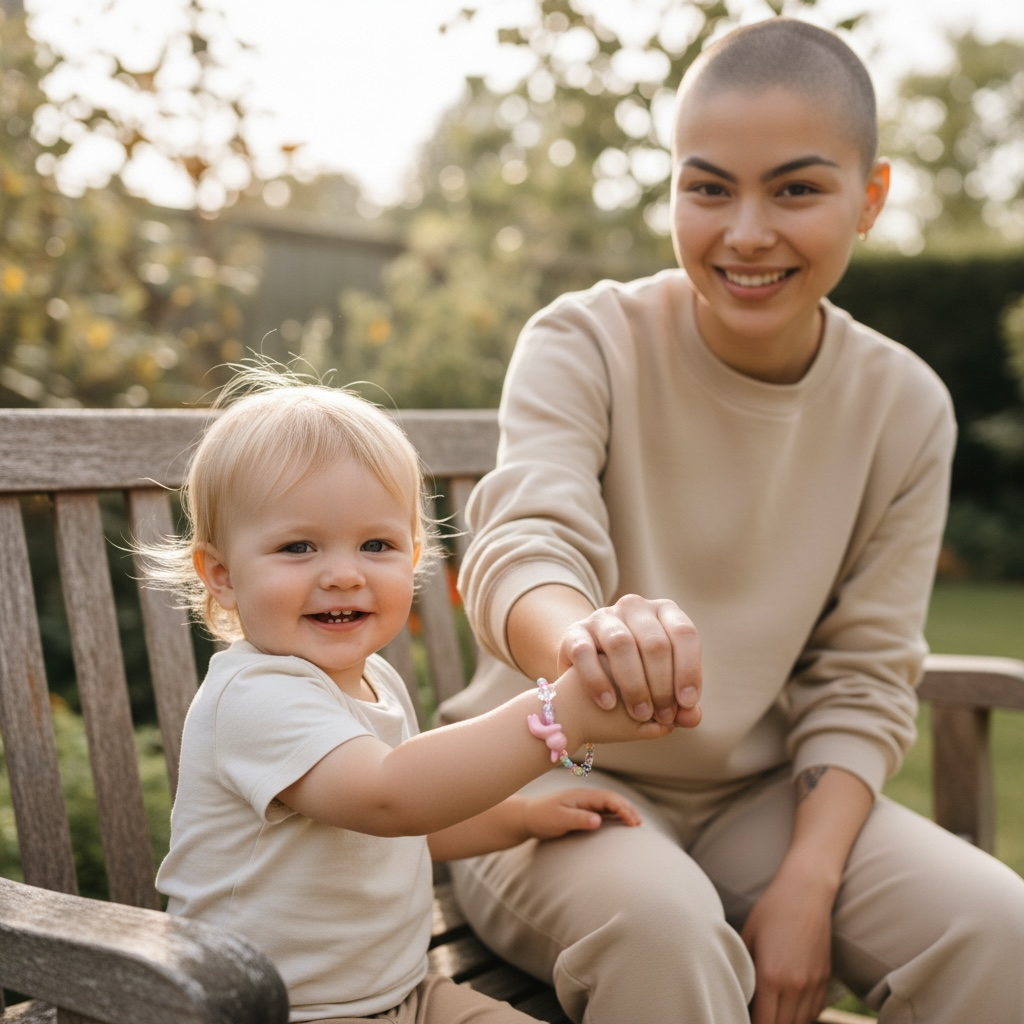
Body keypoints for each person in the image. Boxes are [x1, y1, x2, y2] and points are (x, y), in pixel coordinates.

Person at [440, 17, 1024, 1024]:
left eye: (795, 188)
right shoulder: (584, 339)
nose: (745, 231)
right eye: (707, 188)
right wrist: (586, 644)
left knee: (998, 933)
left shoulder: (905, 404)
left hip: (763, 800)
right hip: (543, 782)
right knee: (666, 935)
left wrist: (807, 878)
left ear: (870, 196)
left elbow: (865, 668)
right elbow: (524, 535)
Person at [146, 366, 685, 1023]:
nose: (343, 574)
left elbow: (409, 827)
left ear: (414, 555)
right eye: (298, 547)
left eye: (376, 544)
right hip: (273, 1012)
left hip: (406, 994)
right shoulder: (254, 697)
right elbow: (389, 796)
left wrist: (521, 820)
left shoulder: (374, 680)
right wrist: (559, 715)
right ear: (223, 577)